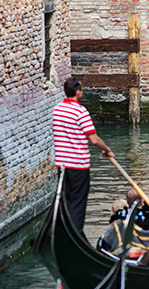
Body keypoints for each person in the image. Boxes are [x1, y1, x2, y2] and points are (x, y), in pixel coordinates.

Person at [52, 77, 114, 233]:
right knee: (78, 203)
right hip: (78, 166)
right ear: (78, 92)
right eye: (82, 90)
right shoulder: (81, 112)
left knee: (66, 201)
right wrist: (106, 150)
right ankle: (76, 233)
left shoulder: (57, 109)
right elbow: (93, 139)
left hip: (62, 166)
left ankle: (65, 232)